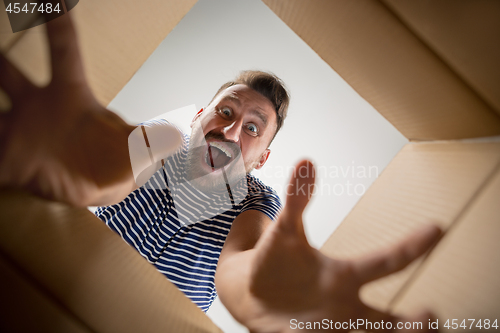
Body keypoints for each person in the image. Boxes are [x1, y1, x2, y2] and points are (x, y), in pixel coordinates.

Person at [0, 14, 440, 332]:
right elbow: (114, 172)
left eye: (252, 128)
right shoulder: (155, 145)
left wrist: (259, 291)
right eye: (224, 112)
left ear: (261, 160)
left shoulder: (257, 200)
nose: (230, 130)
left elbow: (240, 263)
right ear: (197, 119)